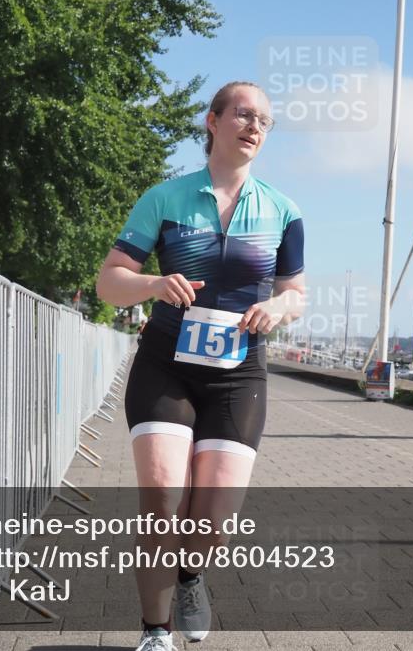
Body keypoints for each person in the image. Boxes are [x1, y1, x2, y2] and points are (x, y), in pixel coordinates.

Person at [95, 81, 305, 651]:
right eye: (242, 114)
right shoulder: (164, 198)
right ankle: (155, 631)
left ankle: (191, 574)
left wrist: (279, 306)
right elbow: (109, 281)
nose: (254, 125)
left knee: (211, 518)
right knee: (163, 494)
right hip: (166, 365)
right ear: (212, 122)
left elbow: (296, 292)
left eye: (264, 119)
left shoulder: (283, 211)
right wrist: (154, 283)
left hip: (238, 374)